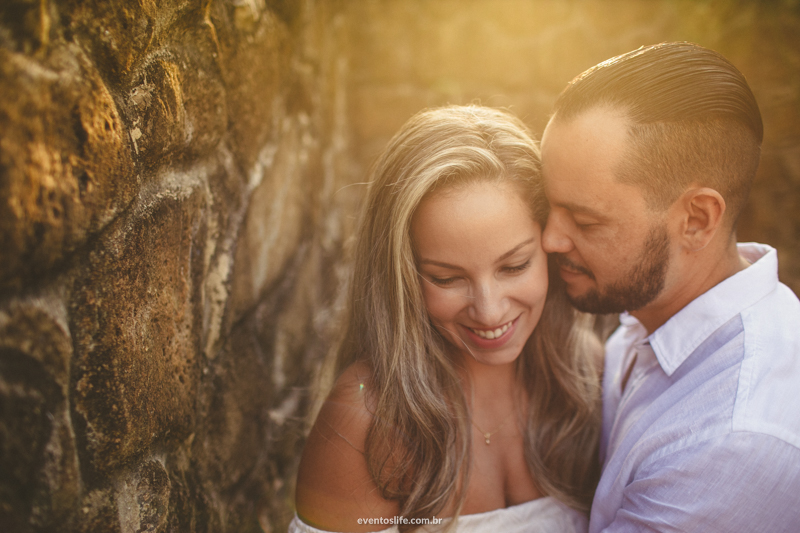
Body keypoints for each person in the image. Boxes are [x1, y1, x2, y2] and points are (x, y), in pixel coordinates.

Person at [290, 105, 602, 532]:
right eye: (446, 278)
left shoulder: (589, 376)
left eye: (514, 266)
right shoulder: (365, 422)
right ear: (400, 277)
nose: (489, 310)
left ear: (550, 245)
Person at [540, 42, 800, 532]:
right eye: (548, 205)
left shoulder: (732, 442)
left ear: (696, 220)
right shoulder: (654, 306)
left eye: (585, 220)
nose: (550, 239)